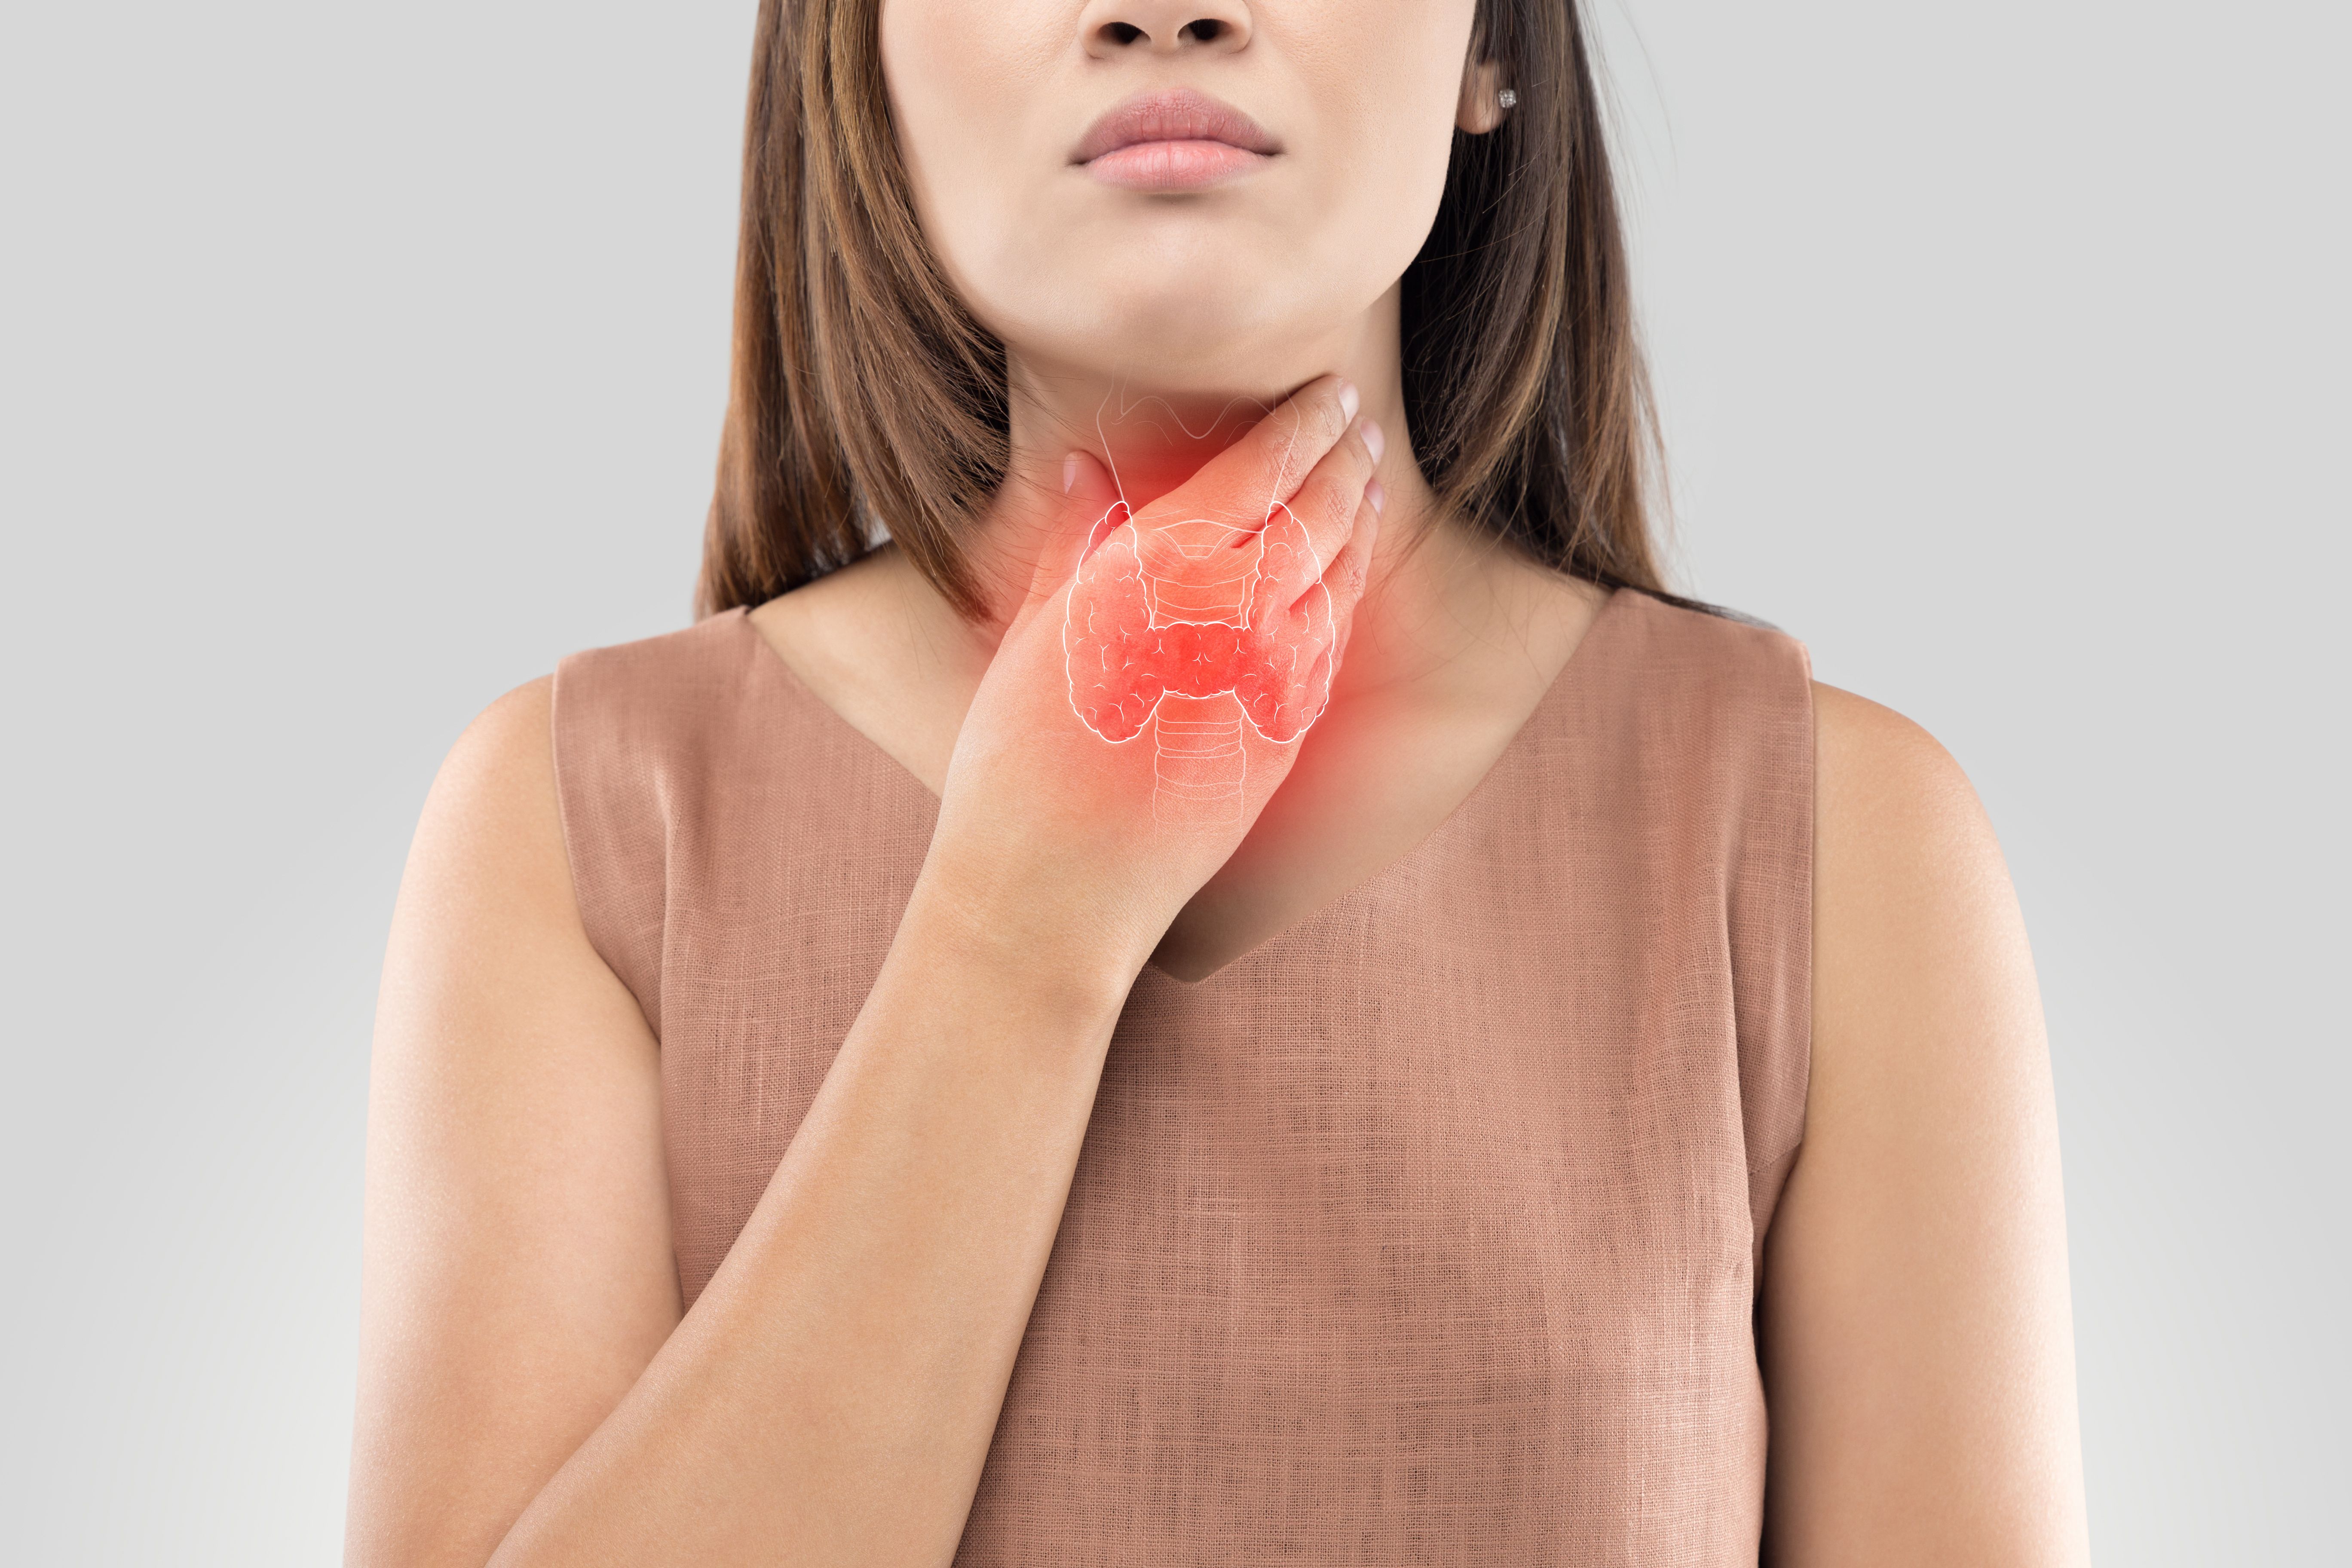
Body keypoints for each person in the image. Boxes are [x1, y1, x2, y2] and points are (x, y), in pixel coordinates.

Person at [344, 2, 2092, 1562]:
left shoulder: (1830, 841)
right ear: (861, 58)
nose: (1161, 12)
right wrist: (1020, 926)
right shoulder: (582, 823)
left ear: (1493, 47)